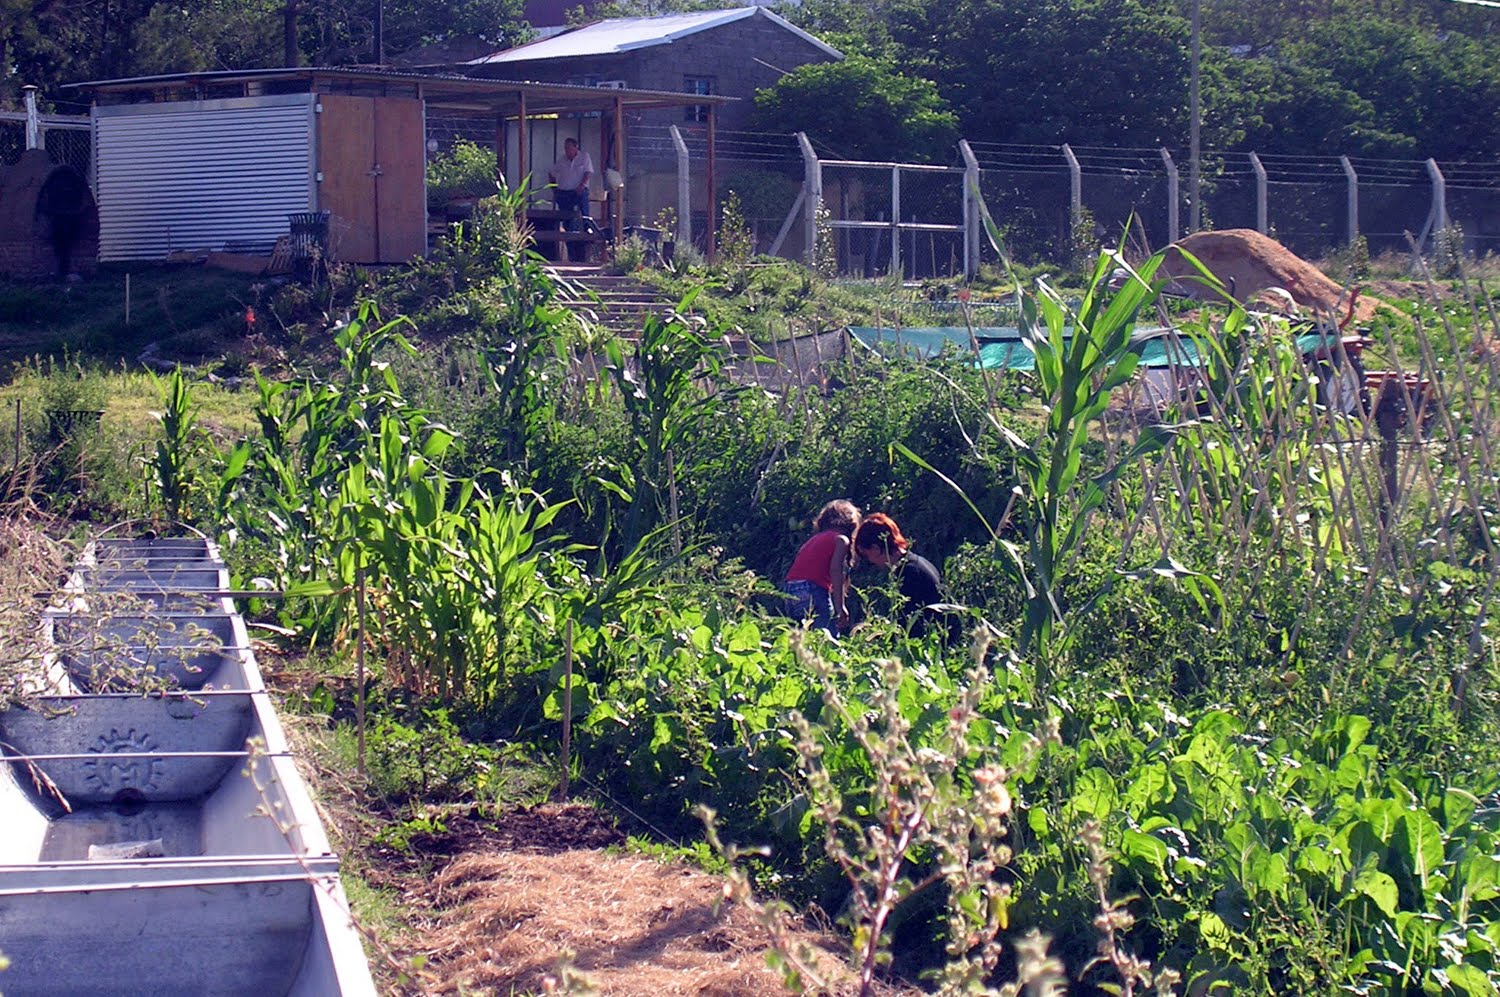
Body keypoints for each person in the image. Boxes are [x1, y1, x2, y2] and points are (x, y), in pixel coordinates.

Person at [853, 513, 956, 641]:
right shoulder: (917, 562)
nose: (869, 562)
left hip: (937, 641)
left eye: (866, 555)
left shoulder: (908, 573)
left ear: (876, 548)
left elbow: (910, 624)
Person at [782, 499, 860, 636]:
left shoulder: (814, 539)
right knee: (826, 637)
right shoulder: (841, 540)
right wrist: (840, 606)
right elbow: (836, 570)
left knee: (802, 639)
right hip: (812, 589)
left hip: (790, 589)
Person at [548, 138, 594, 261]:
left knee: (584, 208)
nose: (567, 150)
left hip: (579, 190)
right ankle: (569, 236)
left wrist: (582, 185)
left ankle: (587, 227)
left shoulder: (584, 157)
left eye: (569, 147)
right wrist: (555, 189)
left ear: (576, 147)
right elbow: (551, 173)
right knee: (566, 217)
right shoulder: (562, 161)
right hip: (564, 192)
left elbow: (588, 173)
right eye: (565, 148)